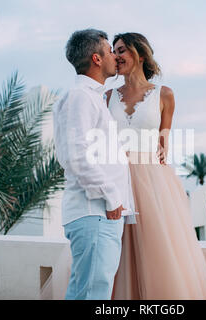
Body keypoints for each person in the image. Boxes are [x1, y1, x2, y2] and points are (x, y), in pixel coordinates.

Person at [105, 32, 206, 299]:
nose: (116, 56)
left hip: (152, 181)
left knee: (156, 248)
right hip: (116, 179)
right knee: (114, 250)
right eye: (113, 51)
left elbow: (163, 147)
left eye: (121, 50)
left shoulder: (165, 95)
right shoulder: (106, 96)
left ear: (140, 54)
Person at [53, 28, 138, 300]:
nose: (115, 55)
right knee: (93, 293)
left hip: (99, 214)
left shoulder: (92, 98)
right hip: (97, 213)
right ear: (97, 58)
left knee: (86, 290)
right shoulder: (81, 97)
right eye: (109, 50)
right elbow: (76, 157)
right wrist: (112, 198)